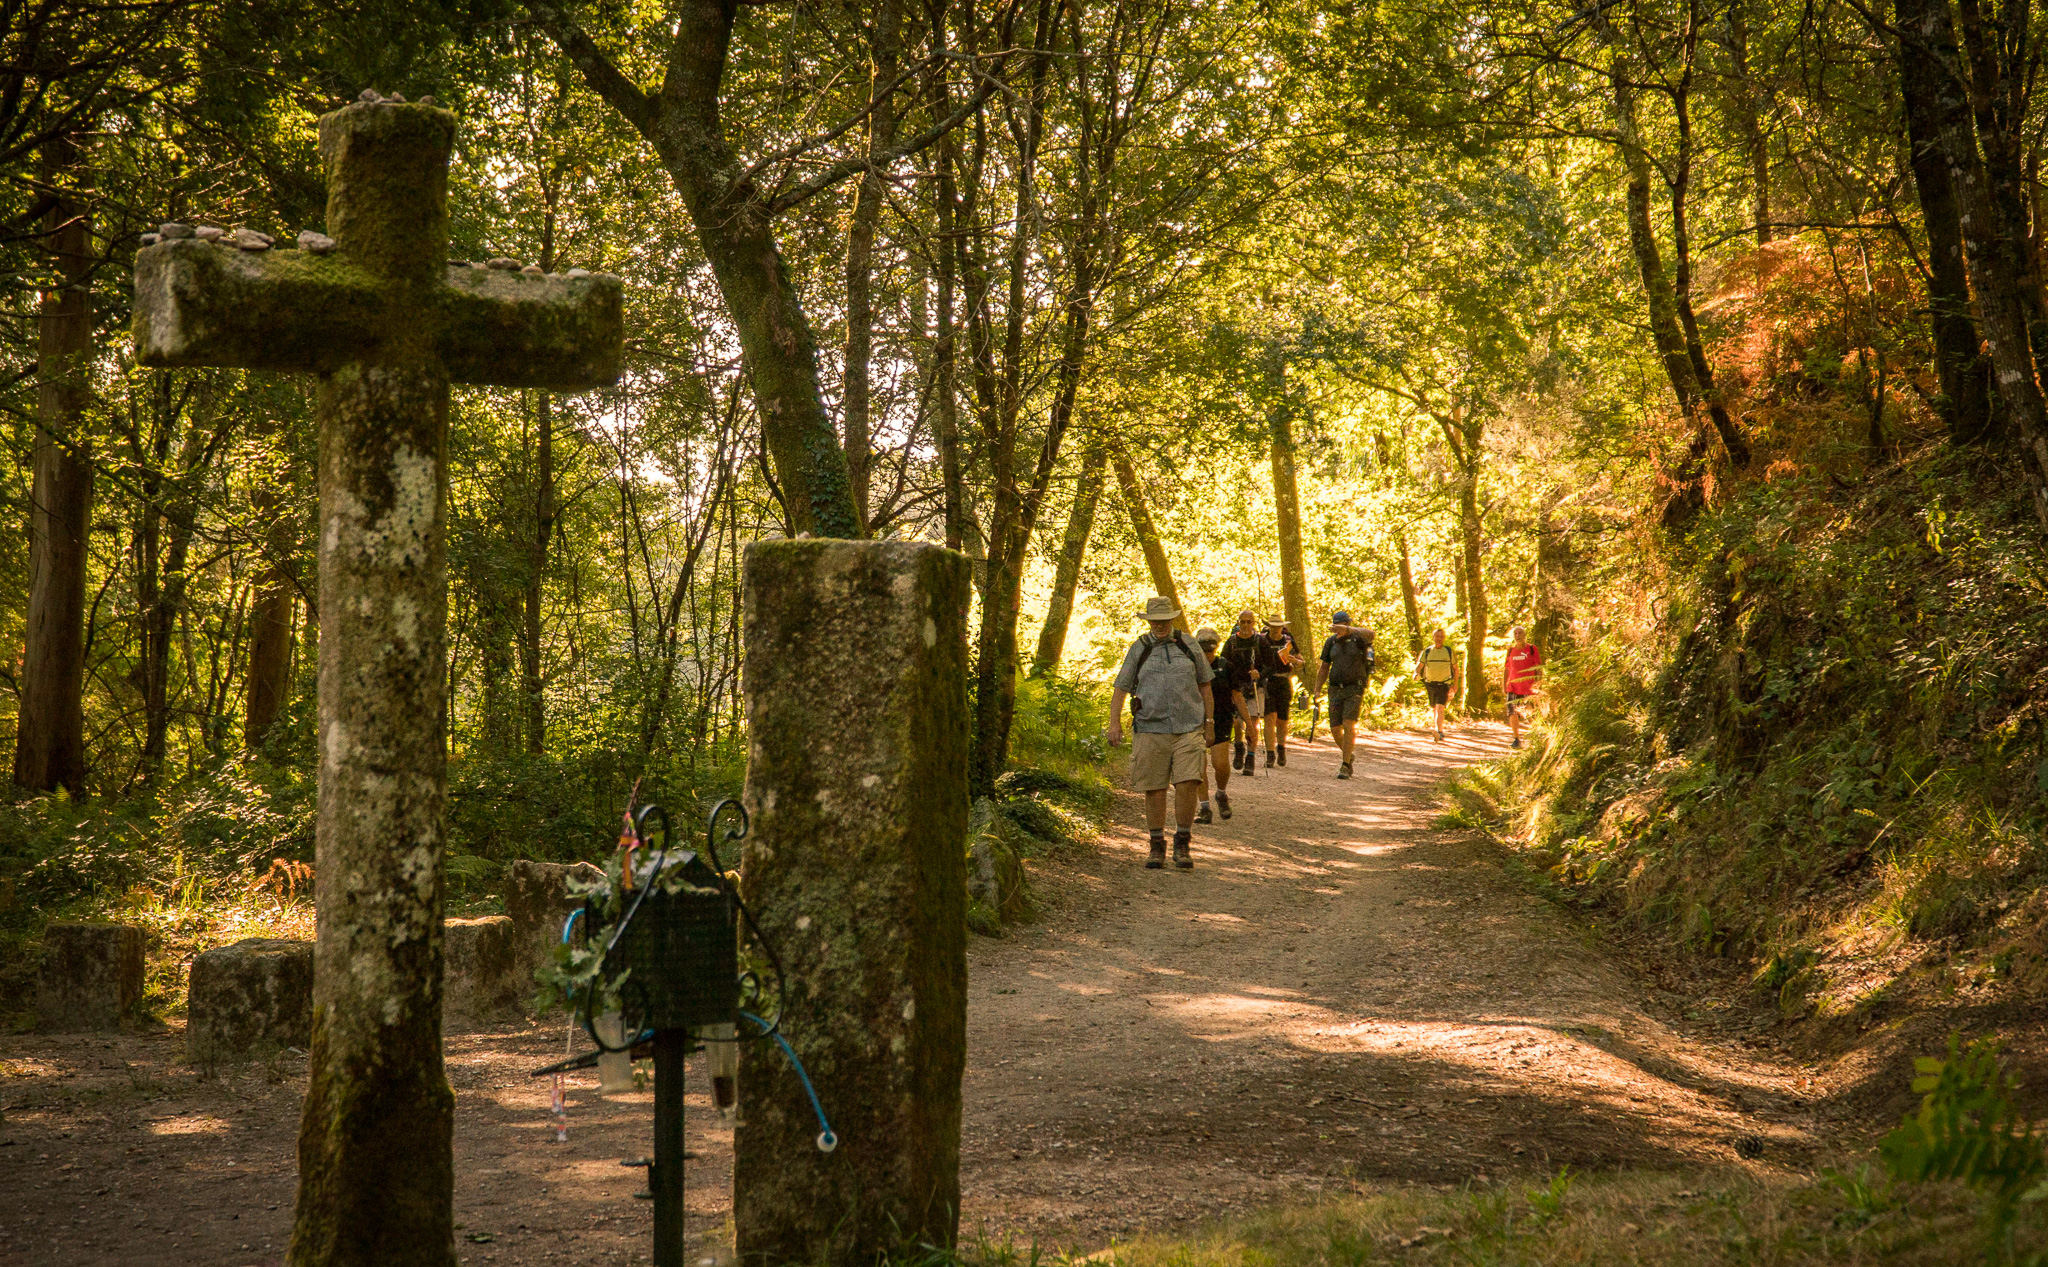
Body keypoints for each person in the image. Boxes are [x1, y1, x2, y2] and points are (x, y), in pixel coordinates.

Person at [1106, 596, 1214, 869]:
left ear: (1172, 619)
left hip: (1188, 727)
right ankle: (1156, 846)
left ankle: (1182, 843)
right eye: (1155, 621)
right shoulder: (1140, 648)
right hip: (1150, 728)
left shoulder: (1189, 645)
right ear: (1149, 621)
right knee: (1154, 788)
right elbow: (1121, 687)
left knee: (1189, 782)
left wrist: (1209, 722)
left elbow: (1205, 686)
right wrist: (1114, 723)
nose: (1160, 625)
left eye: (1164, 620)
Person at [1193, 627, 1242, 823]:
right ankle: (1204, 808)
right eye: (1203, 650)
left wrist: (1247, 723)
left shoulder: (1226, 666)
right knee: (1199, 766)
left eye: (1211, 650)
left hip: (1222, 718)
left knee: (1220, 764)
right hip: (1195, 720)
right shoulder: (1191, 667)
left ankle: (1221, 793)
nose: (1207, 654)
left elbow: (1237, 696)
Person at [1318, 613, 1374, 779]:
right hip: (1335, 690)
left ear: (1348, 624)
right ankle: (1348, 753)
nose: (1338, 629)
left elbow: (1371, 634)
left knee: (1349, 723)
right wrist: (1316, 689)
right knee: (1335, 728)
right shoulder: (1331, 642)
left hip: (1354, 689)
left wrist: (1349, 629)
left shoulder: (1359, 639)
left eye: (1341, 625)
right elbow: (1324, 667)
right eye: (1335, 626)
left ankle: (1345, 765)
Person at [1222, 610, 1264, 777]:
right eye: (1243, 622)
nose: (1246, 625)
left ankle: (1251, 758)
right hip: (1236, 686)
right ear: (1239, 622)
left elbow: (1270, 665)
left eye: (1249, 622)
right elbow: (1222, 663)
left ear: (1253, 623)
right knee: (1237, 721)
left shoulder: (1260, 642)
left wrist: (1259, 673)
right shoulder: (1231, 642)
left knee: (1253, 723)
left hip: (1256, 687)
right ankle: (1239, 747)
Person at [1256, 615, 1300, 767]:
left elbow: (1302, 662)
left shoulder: (1288, 641)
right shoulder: (1262, 641)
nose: (1275, 629)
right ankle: (1269, 754)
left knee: (1282, 720)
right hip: (1268, 682)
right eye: (1272, 626)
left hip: (1283, 681)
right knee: (1269, 717)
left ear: (1282, 627)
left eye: (1278, 626)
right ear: (1268, 626)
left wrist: (1295, 661)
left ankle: (1281, 747)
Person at [1415, 627, 1458, 742]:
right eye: (1437, 636)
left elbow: (1455, 669)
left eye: (1441, 637)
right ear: (1433, 637)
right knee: (1435, 707)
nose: (1439, 639)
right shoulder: (1427, 651)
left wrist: (1455, 684)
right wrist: (1416, 673)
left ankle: (1439, 731)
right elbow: (1419, 665)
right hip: (1430, 683)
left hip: (1444, 684)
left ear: (1444, 638)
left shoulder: (1448, 651)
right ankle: (1438, 728)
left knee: (1440, 707)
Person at [1503, 626, 1542, 749]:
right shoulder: (1510, 651)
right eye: (1515, 633)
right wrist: (1504, 684)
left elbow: (1538, 668)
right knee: (1512, 712)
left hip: (1529, 688)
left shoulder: (1531, 649)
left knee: (1531, 715)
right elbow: (1507, 669)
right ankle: (1516, 739)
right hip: (1513, 687)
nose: (1517, 635)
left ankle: (1537, 738)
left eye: (1520, 633)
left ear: (1525, 635)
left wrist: (1538, 684)